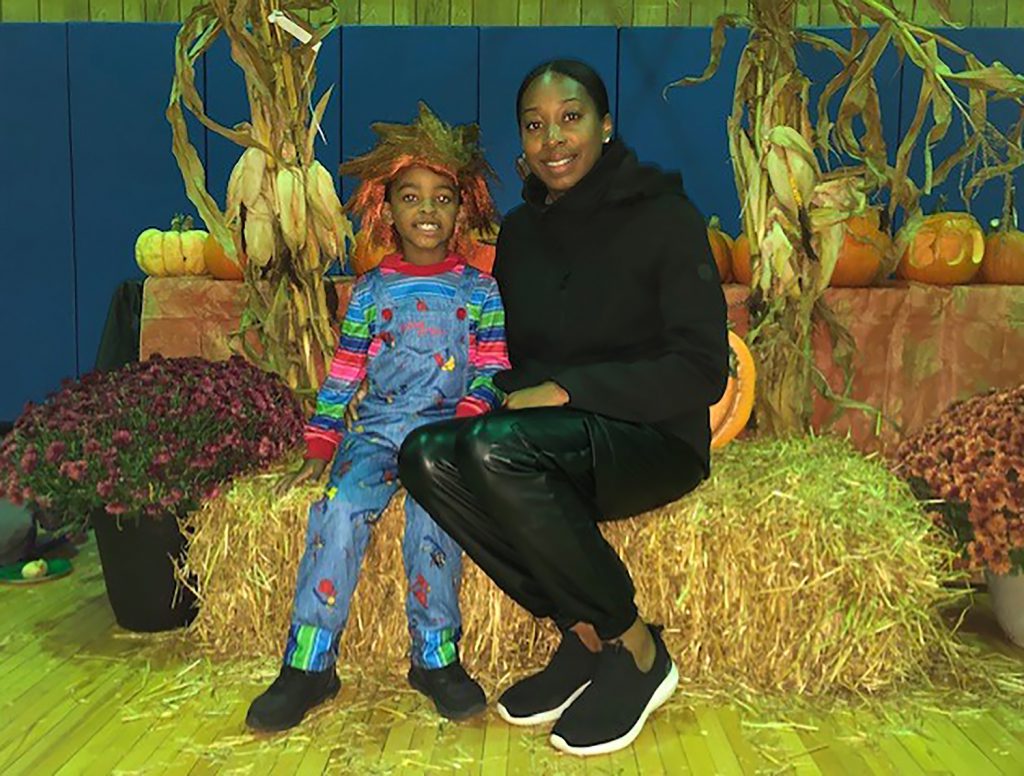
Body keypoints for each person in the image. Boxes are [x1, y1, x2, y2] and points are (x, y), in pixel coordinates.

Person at [398, 60, 729, 756]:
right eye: (535, 123)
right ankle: (583, 633)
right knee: (425, 455)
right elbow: (516, 356)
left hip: (651, 438)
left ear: (606, 125)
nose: (553, 137)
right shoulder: (521, 232)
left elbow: (701, 368)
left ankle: (637, 651)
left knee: (496, 449)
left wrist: (572, 391)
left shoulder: (665, 215)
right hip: (551, 439)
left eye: (571, 117)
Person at [246, 103, 510, 732]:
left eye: (442, 197)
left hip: (445, 434)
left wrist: (466, 423)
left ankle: (435, 658)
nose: (426, 210)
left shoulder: (482, 292)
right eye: (410, 196)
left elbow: (494, 370)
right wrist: (320, 443)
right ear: (384, 207)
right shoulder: (368, 292)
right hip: (377, 429)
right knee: (337, 510)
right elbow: (343, 375)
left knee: (433, 520)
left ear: (463, 208)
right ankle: (309, 664)